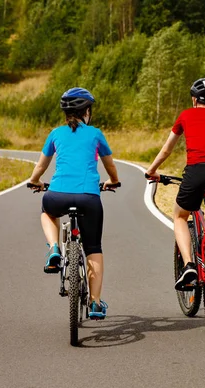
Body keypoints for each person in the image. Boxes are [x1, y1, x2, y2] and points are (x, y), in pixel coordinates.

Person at [28, 87, 120, 320]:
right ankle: (96, 303)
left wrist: (35, 181)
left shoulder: (55, 134)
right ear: (86, 111)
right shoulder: (96, 134)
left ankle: (54, 249)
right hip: (89, 198)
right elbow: (110, 166)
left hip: (57, 194)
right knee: (93, 248)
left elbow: (41, 166)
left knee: (47, 211)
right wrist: (113, 181)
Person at [145, 78, 205, 290]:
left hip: (196, 171)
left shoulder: (185, 116)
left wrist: (151, 170)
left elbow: (167, 150)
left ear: (193, 99)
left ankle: (189, 265)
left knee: (180, 215)